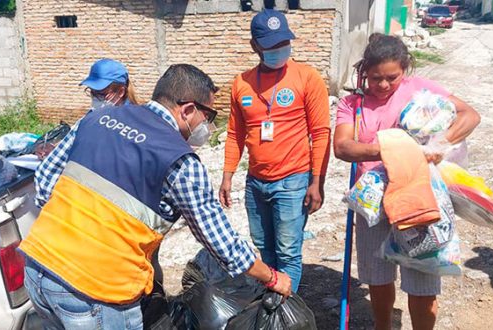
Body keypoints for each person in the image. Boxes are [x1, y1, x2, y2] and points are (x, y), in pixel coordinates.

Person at [20, 64, 292, 330]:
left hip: (38, 268)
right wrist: (272, 277)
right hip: (96, 290)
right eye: (207, 117)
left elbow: (45, 181)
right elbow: (220, 243)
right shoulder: (180, 161)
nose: (206, 127)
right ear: (187, 110)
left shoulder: (94, 120)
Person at [333, 33, 481, 330]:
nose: (384, 85)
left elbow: (470, 115)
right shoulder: (353, 104)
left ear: (405, 70)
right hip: (373, 203)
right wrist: (388, 145)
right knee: (377, 275)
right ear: (364, 72)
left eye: (392, 77)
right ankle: (383, 326)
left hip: (419, 198)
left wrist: (440, 144)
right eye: (376, 78)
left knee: (423, 277)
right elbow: (342, 147)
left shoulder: (421, 91)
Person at [219, 9, 331, 292]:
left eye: (283, 43)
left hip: (293, 182)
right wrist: (228, 175)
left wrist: (317, 182)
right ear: (255, 46)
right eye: (271, 45)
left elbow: (320, 134)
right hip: (255, 183)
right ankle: (272, 304)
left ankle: (285, 313)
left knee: (288, 253)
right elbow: (235, 134)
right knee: (264, 250)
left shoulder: (307, 78)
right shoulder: (241, 83)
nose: (279, 50)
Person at [34, 58, 141, 159]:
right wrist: (55, 151)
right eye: (92, 92)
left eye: (101, 94)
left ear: (120, 92)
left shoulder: (132, 123)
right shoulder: (93, 115)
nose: (95, 98)